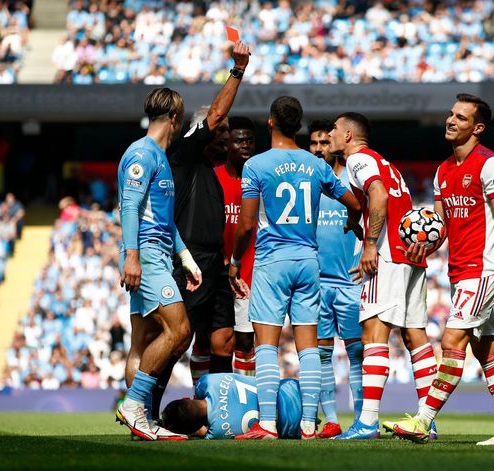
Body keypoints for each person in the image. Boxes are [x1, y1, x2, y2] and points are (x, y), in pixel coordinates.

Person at [392, 94, 494, 446]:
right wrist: (426, 243)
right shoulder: (442, 171)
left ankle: (423, 420)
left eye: (461, 117)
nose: (451, 121)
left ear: (478, 127)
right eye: (450, 115)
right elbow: (441, 225)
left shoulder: (492, 166)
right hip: (459, 272)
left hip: (483, 269)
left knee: (453, 340)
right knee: (486, 350)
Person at [228, 96, 362, 440]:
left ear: (270, 123)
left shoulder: (256, 165)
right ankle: (307, 425)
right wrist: (353, 221)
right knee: (309, 347)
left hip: (273, 261)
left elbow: (244, 226)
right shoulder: (315, 165)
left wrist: (234, 262)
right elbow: (353, 202)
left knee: (267, 346)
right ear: (299, 127)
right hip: (308, 261)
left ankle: (268, 424)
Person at [150, 41, 251, 420]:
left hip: (216, 263)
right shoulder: (185, 154)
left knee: (222, 340)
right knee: (178, 340)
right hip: (189, 259)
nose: (225, 136)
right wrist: (237, 70)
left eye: (225, 131)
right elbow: (217, 112)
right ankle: (145, 408)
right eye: (220, 130)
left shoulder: (217, 170)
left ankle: (218, 412)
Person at [326, 112, 438, 440]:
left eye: (333, 129)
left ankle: (367, 422)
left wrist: (370, 244)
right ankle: (426, 420)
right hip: (410, 253)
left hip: (387, 254)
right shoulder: (380, 161)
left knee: (373, 332)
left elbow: (379, 195)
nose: (330, 134)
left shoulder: (359, 159)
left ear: (348, 135)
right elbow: (369, 199)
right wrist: (353, 219)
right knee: (414, 335)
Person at [116, 87, 202, 441]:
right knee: (180, 330)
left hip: (159, 252)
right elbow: (130, 207)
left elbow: (165, 220)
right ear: (175, 118)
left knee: (143, 340)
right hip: (147, 254)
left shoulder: (160, 157)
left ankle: (143, 420)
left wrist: (185, 258)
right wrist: (133, 256)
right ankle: (135, 406)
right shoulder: (143, 153)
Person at [308, 119, 364, 438]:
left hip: (350, 281)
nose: (319, 149)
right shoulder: (307, 185)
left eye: (324, 142)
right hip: (317, 283)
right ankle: (331, 420)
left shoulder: (352, 181)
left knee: (357, 352)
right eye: (314, 143)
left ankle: (361, 419)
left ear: (334, 144)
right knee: (322, 353)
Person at [215, 116, 258, 376]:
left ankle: (245, 401)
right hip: (216, 270)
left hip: (249, 272)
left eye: (249, 140)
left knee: (244, 341)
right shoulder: (214, 177)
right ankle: (205, 400)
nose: (245, 145)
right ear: (227, 143)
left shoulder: (259, 178)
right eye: (238, 140)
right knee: (212, 341)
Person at [161, 373, 303, 440]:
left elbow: (204, 433)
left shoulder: (216, 432)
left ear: (194, 429)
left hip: (297, 427)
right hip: (293, 388)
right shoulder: (207, 381)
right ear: (186, 398)